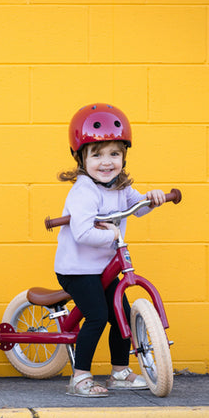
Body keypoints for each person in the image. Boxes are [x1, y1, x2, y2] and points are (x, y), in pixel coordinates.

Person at [54, 103, 166, 397]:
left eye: (114, 154)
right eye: (97, 154)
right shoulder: (83, 192)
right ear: (81, 158)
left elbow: (136, 207)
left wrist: (152, 199)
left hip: (101, 268)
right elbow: (81, 233)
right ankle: (79, 377)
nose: (107, 162)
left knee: (121, 315)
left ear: (124, 157)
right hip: (76, 269)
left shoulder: (119, 187)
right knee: (97, 315)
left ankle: (120, 371)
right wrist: (112, 235)